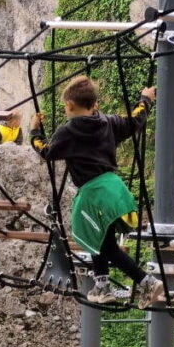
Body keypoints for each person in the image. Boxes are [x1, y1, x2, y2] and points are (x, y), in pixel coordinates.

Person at [29, 76, 165, 308]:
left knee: (100, 242)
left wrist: (34, 132)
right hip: (113, 189)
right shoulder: (109, 122)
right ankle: (102, 286)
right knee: (100, 238)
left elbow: (47, 151)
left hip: (92, 192)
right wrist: (146, 99)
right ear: (95, 105)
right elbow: (135, 120)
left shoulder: (68, 131)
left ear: (70, 105)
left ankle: (146, 281)